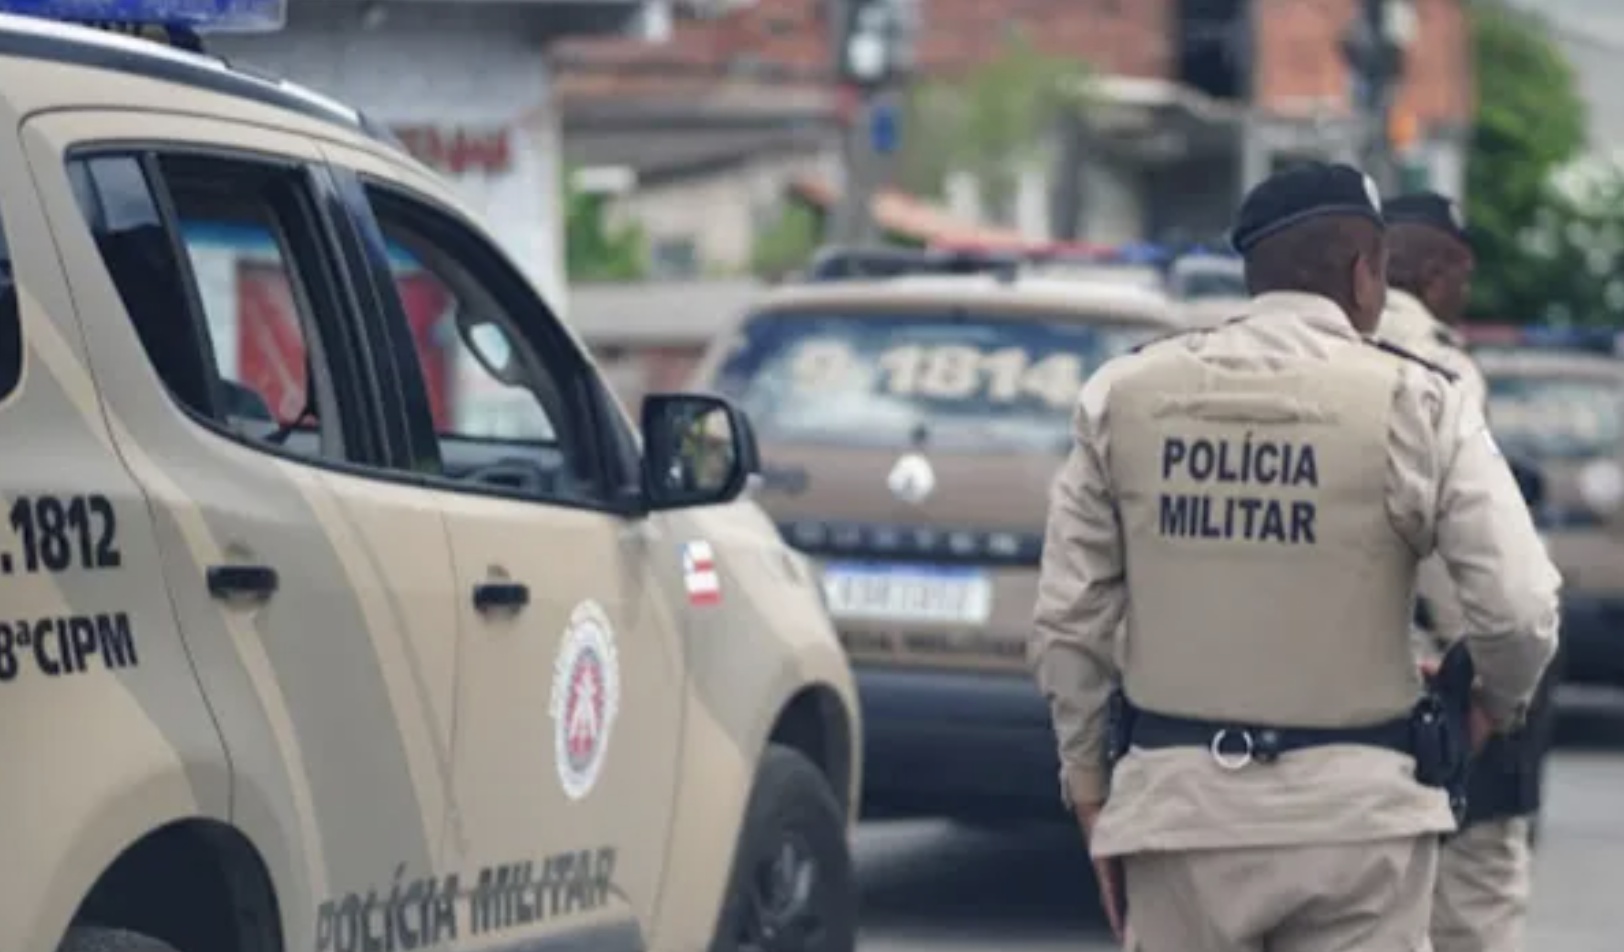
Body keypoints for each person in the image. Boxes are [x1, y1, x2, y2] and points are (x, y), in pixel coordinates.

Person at [1031, 161, 1562, 951]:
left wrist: (1089, 789)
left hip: (1180, 811)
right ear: (1363, 272)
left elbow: (1070, 623)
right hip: (1358, 823)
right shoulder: (1421, 400)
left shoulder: (1123, 395)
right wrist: (1494, 702)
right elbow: (1519, 609)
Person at [1381, 191, 1562, 952]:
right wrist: (1492, 695)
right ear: (1433, 269)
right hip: (1433, 677)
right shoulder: (1440, 367)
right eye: (1462, 275)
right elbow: (1476, 567)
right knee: (1476, 893)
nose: (1465, 292)